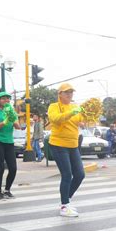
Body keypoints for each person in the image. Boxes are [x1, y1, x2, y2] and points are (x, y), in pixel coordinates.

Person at [48, 83, 86, 217]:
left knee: (80, 174)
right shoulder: (54, 106)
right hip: (58, 144)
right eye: (66, 92)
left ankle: (65, 201)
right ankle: (64, 206)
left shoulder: (75, 106)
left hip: (73, 144)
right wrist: (71, 113)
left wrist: (87, 115)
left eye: (71, 92)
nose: (69, 95)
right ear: (60, 94)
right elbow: (56, 119)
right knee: (66, 175)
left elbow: (81, 121)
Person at [0, 91, 21, 200]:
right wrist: (4, 122)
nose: (6, 100)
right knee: (0, 168)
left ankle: (7, 190)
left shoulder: (11, 112)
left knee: (13, 168)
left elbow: (18, 127)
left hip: (9, 143)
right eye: (3, 98)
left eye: (8, 98)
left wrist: (12, 117)